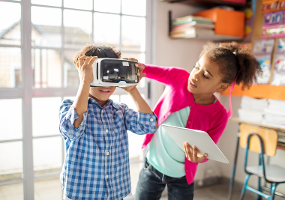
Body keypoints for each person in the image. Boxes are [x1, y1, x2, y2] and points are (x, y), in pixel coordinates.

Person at [134, 42, 262, 200]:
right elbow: (143, 69)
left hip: (182, 178)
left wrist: (201, 157)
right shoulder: (178, 78)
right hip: (151, 166)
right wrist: (132, 67)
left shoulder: (219, 115)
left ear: (221, 86)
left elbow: (207, 150)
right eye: (196, 67)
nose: (195, 75)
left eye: (206, 75)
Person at [59, 44, 157, 200]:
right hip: (81, 192)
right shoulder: (69, 107)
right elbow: (72, 129)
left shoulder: (120, 111)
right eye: (99, 76)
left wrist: (132, 89)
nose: (107, 85)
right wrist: (85, 82)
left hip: (114, 191)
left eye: (111, 76)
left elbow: (149, 125)